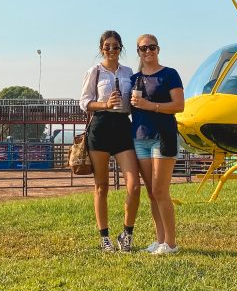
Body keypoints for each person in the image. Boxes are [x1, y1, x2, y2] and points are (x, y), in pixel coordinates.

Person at [79, 30, 142, 253]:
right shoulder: (94, 71)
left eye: (115, 46)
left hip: (123, 126)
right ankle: (104, 237)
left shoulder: (129, 72)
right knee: (101, 186)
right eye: (107, 46)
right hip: (101, 126)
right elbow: (84, 102)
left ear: (121, 48)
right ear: (101, 49)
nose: (111, 50)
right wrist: (104, 104)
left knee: (134, 185)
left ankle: (126, 233)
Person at [130, 34, 185, 256]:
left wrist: (149, 105)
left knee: (161, 190)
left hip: (163, 137)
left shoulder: (169, 75)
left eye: (151, 47)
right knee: (152, 193)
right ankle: (159, 239)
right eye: (143, 48)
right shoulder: (134, 78)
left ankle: (171, 243)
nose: (148, 51)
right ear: (138, 52)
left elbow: (179, 105)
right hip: (140, 138)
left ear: (158, 49)